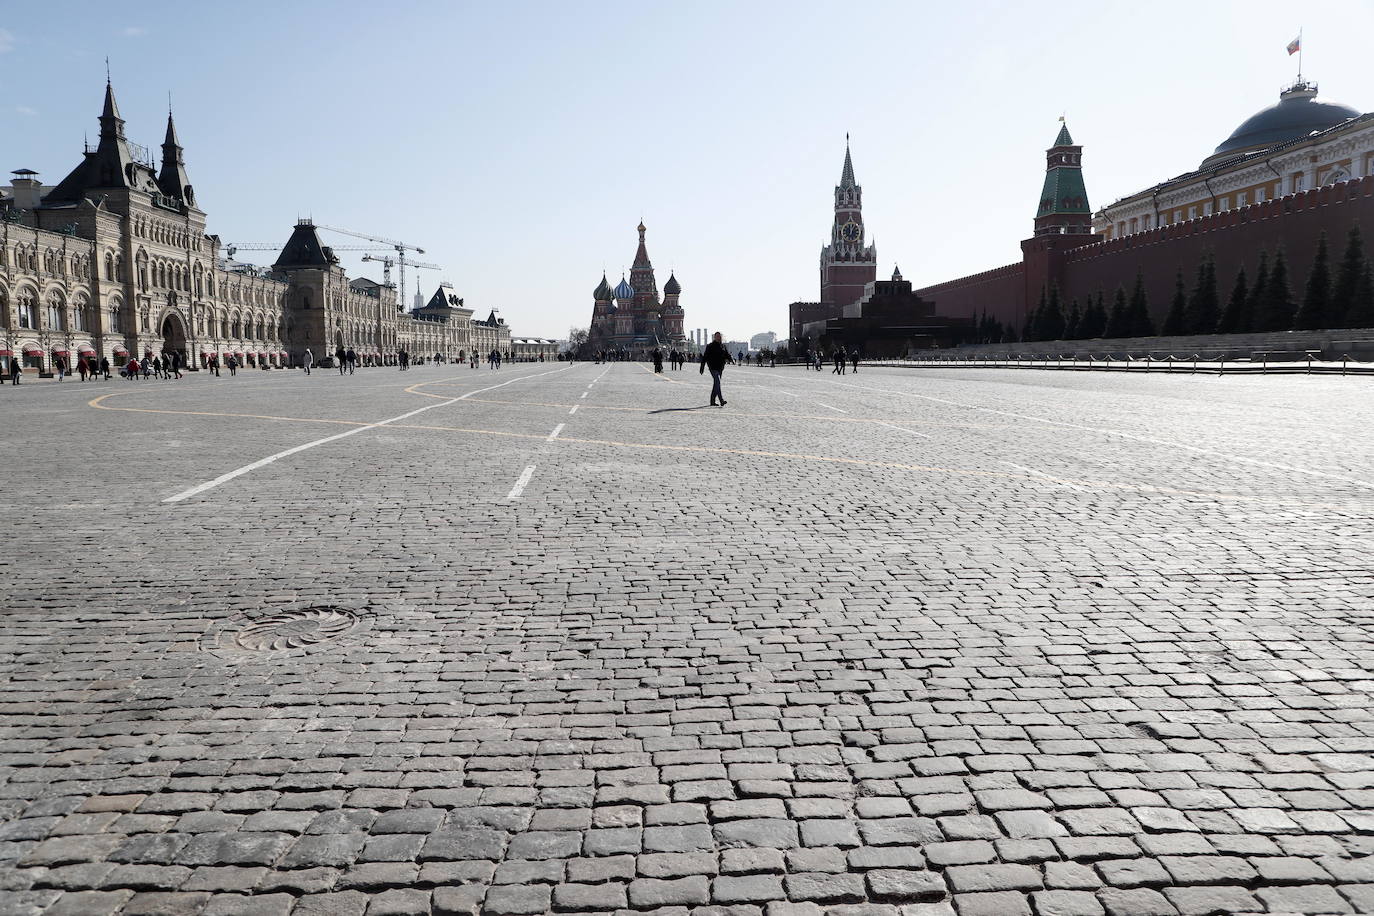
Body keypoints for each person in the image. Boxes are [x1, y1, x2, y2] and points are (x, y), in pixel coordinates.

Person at [699, 331, 734, 407]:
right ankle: (721, 400)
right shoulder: (710, 346)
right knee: (717, 381)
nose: (719, 337)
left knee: (716, 384)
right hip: (713, 367)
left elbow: (727, 355)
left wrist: (732, 360)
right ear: (714, 337)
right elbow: (705, 357)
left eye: (720, 336)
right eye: (717, 336)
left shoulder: (723, 346)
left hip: (720, 367)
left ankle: (712, 401)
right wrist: (702, 367)